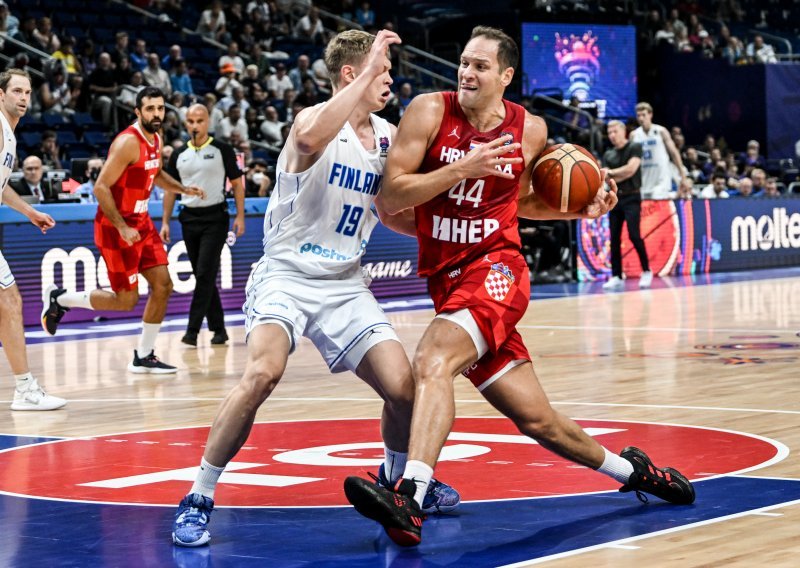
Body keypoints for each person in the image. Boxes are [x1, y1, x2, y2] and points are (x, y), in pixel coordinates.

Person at [343, 27, 695, 547]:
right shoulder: (428, 111)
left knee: (431, 360)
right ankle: (636, 473)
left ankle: (409, 495)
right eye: (464, 62)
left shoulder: (530, 129)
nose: (467, 72)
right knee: (539, 421)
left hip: (498, 271)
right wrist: (463, 169)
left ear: (505, 76)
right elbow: (392, 194)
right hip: (448, 282)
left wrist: (581, 208)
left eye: (481, 66)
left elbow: (521, 202)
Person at [170, 29, 460, 548]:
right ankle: (199, 495)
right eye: (381, 69)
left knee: (404, 391)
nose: (390, 77)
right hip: (286, 275)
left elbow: (389, 210)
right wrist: (368, 69)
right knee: (263, 373)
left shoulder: (392, 136)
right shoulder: (311, 121)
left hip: (346, 284)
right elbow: (307, 140)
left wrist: (446, 233)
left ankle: (395, 483)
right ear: (353, 74)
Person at [40, 87, 206, 373]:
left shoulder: (156, 137)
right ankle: (60, 299)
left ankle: (144, 355)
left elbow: (156, 174)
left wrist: (181, 188)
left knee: (163, 285)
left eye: (160, 108)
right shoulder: (127, 142)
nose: (157, 114)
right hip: (115, 227)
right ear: (137, 112)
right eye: (150, 109)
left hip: (142, 223)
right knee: (126, 300)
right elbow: (101, 187)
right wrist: (121, 226)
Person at [0, 69, 66, 411]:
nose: (23, 97)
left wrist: (28, 211)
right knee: (9, 301)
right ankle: (25, 389)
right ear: (1, 94)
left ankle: (24, 388)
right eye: (16, 91)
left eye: (27, 92)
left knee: (9, 302)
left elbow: (2, 187)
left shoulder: (9, 135)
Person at [160, 104, 245, 347]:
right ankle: (219, 330)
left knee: (205, 273)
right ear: (186, 124)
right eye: (190, 121)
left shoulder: (222, 149)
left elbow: (237, 184)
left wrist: (240, 216)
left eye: (199, 121)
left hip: (215, 219)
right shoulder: (178, 155)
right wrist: (165, 221)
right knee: (203, 276)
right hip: (188, 218)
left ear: (207, 122)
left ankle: (192, 331)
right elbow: (169, 189)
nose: (195, 125)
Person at [602, 120, 652, 290]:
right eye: (609, 132)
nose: (612, 135)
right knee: (614, 238)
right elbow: (607, 179)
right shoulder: (608, 153)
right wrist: (613, 175)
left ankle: (646, 271)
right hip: (615, 198)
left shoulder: (635, 147)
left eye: (615, 131)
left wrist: (611, 173)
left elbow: (631, 170)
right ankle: (616, 275)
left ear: (624, 131)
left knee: (634, 234)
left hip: (632, 197)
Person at [631, 102, 686, 199]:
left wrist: (682, 175)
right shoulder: (634, 135)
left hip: (661, 181)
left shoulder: (661, 131)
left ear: (650, 114)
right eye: (638, 115)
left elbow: (674, 153)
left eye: (644, 115)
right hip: (643, 181)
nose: (641, 118)